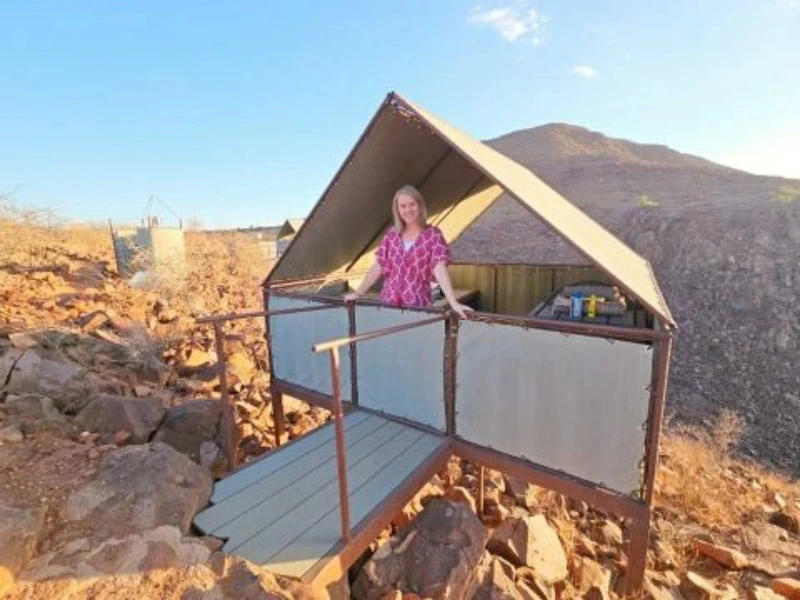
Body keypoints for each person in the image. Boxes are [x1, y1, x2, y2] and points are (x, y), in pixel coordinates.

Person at [343, 185, 474, 319]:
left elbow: (439, 268)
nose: (408, 210)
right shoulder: (391, 235)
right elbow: (379, 266)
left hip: (417, 306)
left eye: (412, 204)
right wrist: (358, 293)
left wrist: (452, 301)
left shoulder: (433, 235)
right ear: (397, 209)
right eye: (403, 206)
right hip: (388, 304)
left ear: (420, 206)